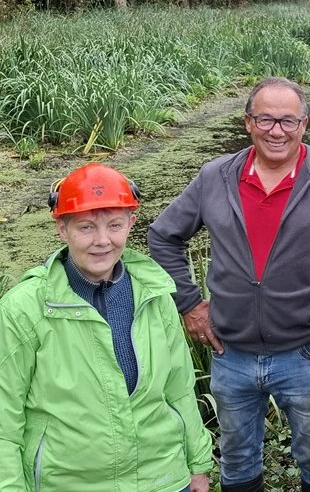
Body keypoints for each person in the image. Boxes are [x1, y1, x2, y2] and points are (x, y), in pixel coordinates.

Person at [148, 77, 310, 492]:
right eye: (265, 119)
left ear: (305, 125)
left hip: (307, 355)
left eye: (288, 121)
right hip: (230, 354)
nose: (277, 131)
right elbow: (163, 236)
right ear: (248, 123)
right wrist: (190, 304)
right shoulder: (215, 176)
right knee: (236, 457)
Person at [0, 163, 213, 491]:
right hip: (69, 484)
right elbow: (5, 419)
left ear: (132, 222)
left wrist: (197, 464)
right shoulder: (24, 308)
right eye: (86, 227)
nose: (102, 241)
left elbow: (180, 388)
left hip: (163, 479)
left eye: (115, 225)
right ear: (62, 228)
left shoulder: (154, 293)